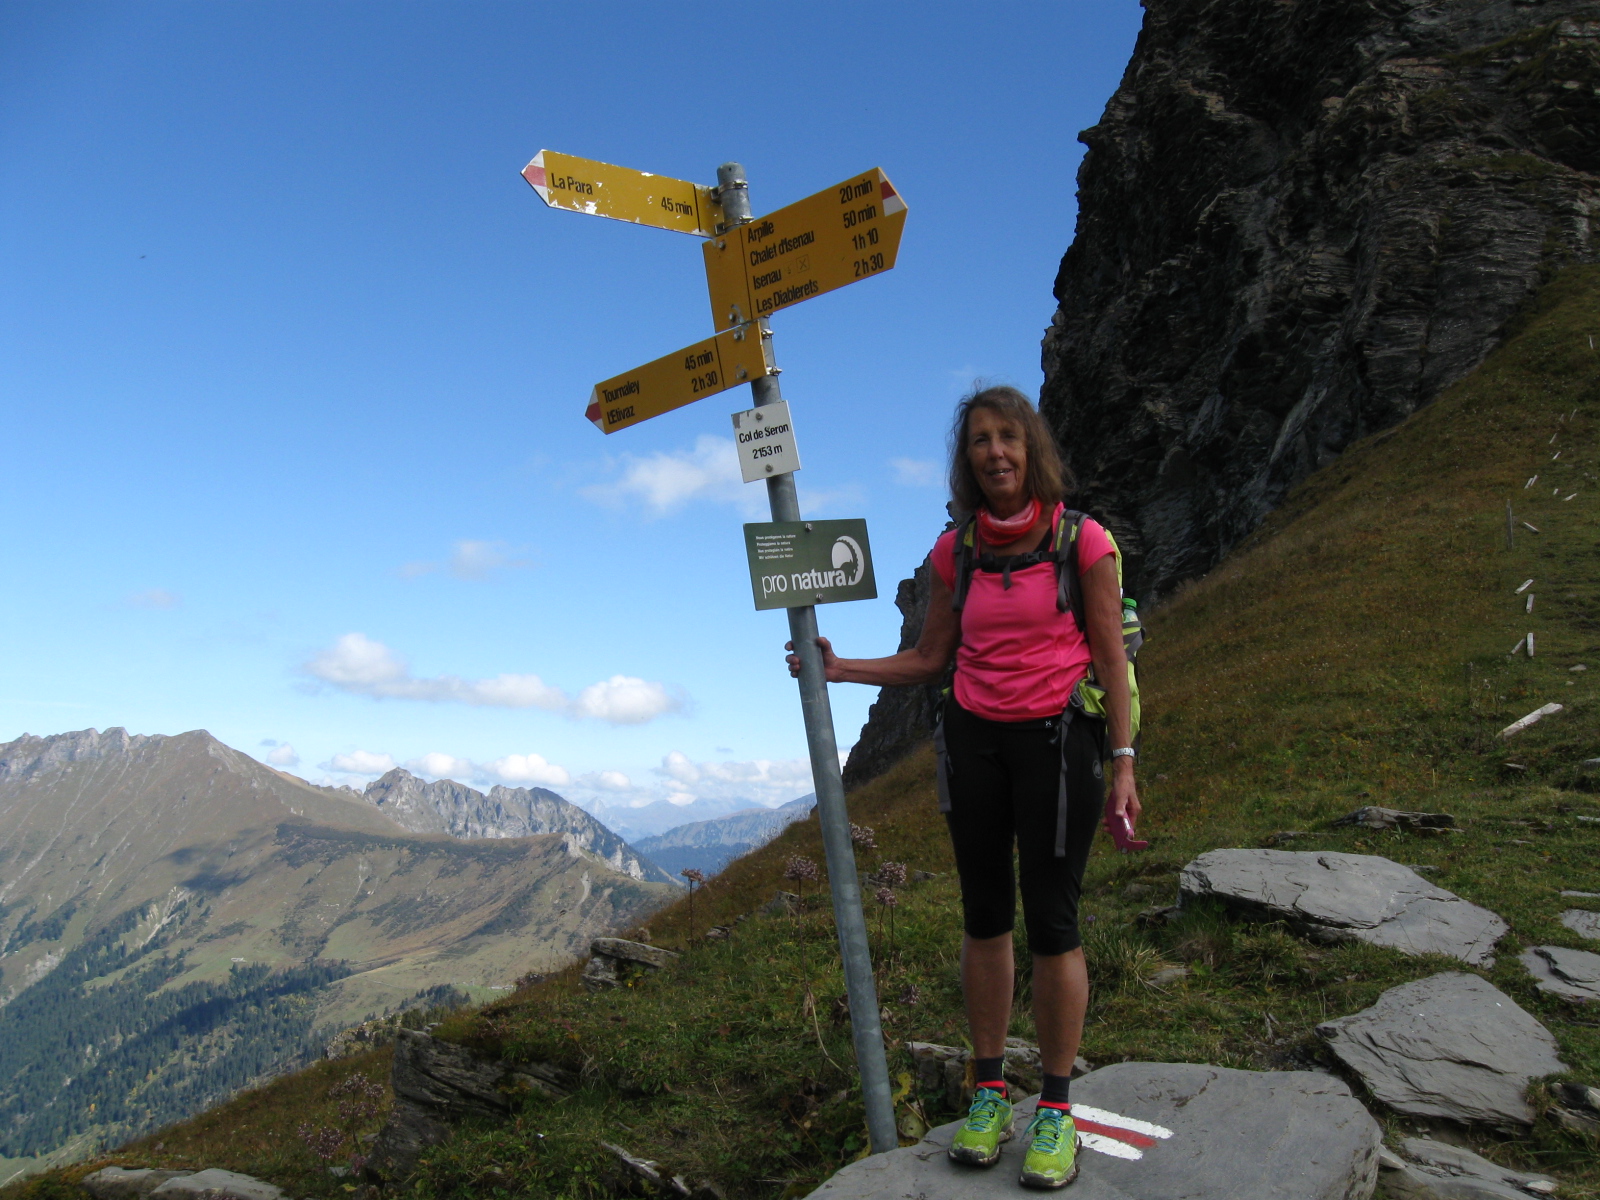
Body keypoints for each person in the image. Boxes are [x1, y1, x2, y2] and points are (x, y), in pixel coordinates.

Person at [785, 385, 1140, 1190]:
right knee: (984, 916)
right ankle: (988, 1095)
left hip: (1059, 745)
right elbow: (930, 658)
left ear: (1032, 449)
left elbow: (1111, 657)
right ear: (967, 458)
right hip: (974, 744)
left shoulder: (1083, 542)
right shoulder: (957, 552)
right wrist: (840, 669)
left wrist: (1123, 762)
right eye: (980, 440)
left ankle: (1056, 1109)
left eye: (1008, 437)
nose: (995, 452)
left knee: (1052, 921)